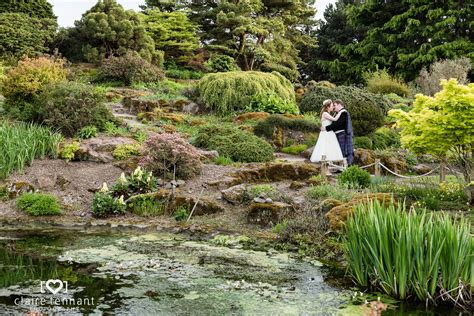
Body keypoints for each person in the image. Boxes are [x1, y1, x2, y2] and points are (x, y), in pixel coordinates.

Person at [325, 99, 354, 165]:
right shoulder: (338, 113)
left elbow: (338, 123)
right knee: (338, 151)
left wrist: (326, 128)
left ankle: (344, 166)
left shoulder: (344, 112)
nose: (334, 107)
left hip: (341, 134)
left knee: (342, 151)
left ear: (339, 104)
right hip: (338, 134)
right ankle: (340, 166)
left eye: (335, 105)